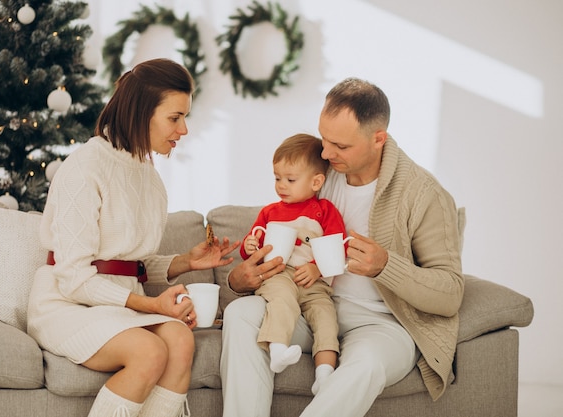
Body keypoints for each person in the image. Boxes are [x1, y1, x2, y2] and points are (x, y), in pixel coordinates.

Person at [220, 77, 464, 417]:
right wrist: (242, 276)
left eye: (341, 147)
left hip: (382, 325)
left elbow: (450, 292)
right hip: (314, 306)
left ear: (378, 139)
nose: (325, 153)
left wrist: (385, 266)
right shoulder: (321, 174)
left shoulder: (423, 195)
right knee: (241, 315)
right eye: (324, 139)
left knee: (364, 366)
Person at [27, 58, 239, 417]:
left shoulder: (149, 176)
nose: (184, 130)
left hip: (113, 305)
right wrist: (154, 306)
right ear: (142, 112)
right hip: (66, 304)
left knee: (180, 339)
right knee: (149, 350)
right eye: (175, 118)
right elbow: (74, 278)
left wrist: (188, 262)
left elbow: (128, 263)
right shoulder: (86, 166)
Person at [240, 133, 347, 394]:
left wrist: (316, 268)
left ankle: (324, 374)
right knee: (282, 301)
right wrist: (248, 246)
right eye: (277, 178)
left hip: (314, 282)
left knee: (326, 317)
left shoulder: (325, 211)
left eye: (290, 179)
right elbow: (253, 243)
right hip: (278, 273)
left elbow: (339, 246)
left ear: (316, 182)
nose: (281, 186)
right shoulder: (270, 212)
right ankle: (277, 350)